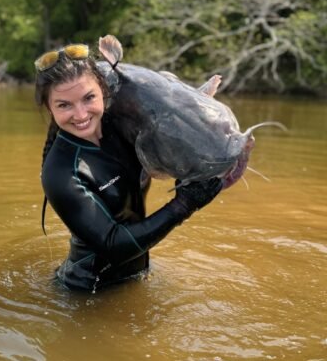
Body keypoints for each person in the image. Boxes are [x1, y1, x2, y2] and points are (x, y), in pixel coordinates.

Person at [36, 43, 222, 291]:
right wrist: (184, 204)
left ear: (102, 90)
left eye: (88, 98)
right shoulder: (59, 173)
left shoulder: (123, 127)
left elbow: (170, 131)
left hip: (136, 276)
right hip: (88, 293)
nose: (80, 115)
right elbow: (112, 244)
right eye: (64, 105)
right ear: (50, 108)